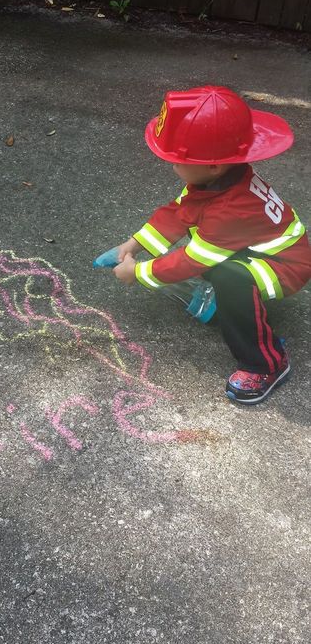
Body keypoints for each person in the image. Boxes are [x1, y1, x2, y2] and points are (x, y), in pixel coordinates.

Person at [112, 85, 311, 404]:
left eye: (177, 161)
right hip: (260, 249)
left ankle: (267, 364)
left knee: (232, 277)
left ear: (214, 165)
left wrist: (139, 272)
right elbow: (179, 212)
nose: (172, 166)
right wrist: (135, 243)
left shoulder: (229, 210)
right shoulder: (222, 180)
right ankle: (234, 299)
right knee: (214, 255)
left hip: (287, 267)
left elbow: (192, 260)